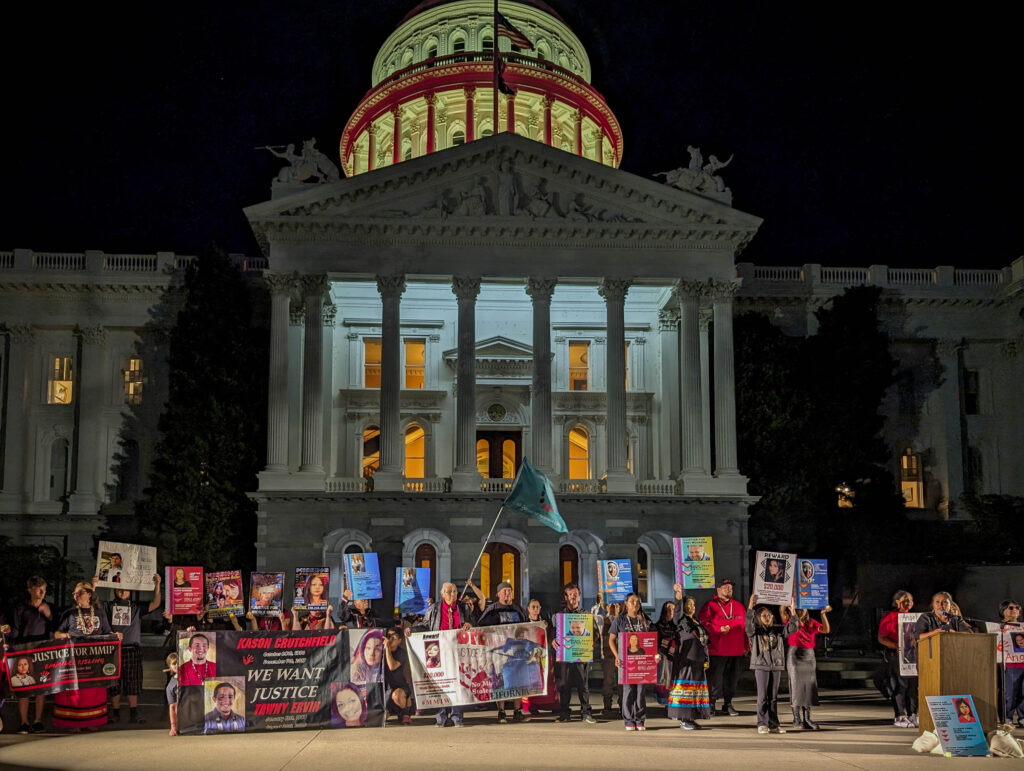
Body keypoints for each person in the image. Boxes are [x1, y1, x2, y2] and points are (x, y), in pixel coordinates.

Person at [53, 581, 119, 732]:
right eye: (75, 594)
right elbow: (56, 633)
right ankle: (73, 723)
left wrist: (115, 636)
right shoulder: (69, 613)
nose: (76, 596)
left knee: (92, 690)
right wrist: (66, 635)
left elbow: (107, 632)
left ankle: (92, 721)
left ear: (89, 595)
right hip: (74, 658)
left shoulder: (100, 613)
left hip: (95, 658)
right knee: (74, 690)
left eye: (80, 593)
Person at [101, 571, 162, 724]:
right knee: (113, 682)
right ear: (115, 589)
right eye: (120, 588)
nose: (123, 591)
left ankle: (134, 711)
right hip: (113, 649)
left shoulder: (135, 607)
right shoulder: (108, 606)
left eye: (126, 589)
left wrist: (157, 585)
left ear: (130, 591)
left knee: (133, 681)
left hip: (131, 649)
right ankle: (115, 712)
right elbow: (95, 607)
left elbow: (156, 603)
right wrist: (95, 584)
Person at [475, 581, 529, 723]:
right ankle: (502, 711)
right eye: (504, 591)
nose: (507, 593)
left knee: (519, 681)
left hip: (517, 651)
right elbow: (481, 625)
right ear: (498, 594)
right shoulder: (492, 609)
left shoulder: (518, 609)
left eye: (509, 591)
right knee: (501, 680)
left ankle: (517, 711)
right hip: (499, 651)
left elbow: (528, 625)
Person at [698, 577, 747, 716]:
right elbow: (703, 624)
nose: (729, 589)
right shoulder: (709, 605)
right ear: (718, 590)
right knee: (715, 679)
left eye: (731, 587)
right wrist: (718, 629)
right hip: (717, 649)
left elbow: (745, 627)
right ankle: (711, 703)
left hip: (736, 649)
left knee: (732, 679)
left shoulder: (738, 606)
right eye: (726, 587)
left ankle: (728, 703)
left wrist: (746, 644)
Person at [10, 575, 53, 734]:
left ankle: (38, 721)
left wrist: (49, 615)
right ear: (30, 590)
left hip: (42, 651)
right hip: (24, 650)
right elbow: (14, 630)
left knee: (41, 687)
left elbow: (57, 627)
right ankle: (24, 722)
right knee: (24, 686)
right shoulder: (20, 608)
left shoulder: (49, 607)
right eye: (38, 589)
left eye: (44, 589)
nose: (42, 592)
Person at [609, 592, 656, 731]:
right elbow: (611, 639)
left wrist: (654, 655)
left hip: (642, 661)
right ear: (626, 603)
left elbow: (652, 639)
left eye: (638, 601)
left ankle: (640, 719)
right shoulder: (620, 620)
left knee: (641, 691)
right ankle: (629, 720)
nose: (635, 604)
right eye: (632, 601)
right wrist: (617, 656)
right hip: (626, 662)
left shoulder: (644, 619)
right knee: (628, 690)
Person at [668, 584, 711, 730]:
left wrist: (706, 659)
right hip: (686, 661)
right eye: (689, 604)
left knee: (695, 691)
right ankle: (684, 719)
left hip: (698, 661)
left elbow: (704, 643)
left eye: (694, 605)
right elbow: (678, 611)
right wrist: (679, 595)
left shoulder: (697, 622)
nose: (692, 607)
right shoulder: (681, 621)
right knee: (686, 690)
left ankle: (692, 717)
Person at [553, 583, 596, 724]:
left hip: (581, 655)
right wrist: (553, 641)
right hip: (565, 656)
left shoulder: (586, 615)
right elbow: (553, 635)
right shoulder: (559, 616)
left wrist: (592, 641)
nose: (573, 597)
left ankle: (586, 713)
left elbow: (594, 634)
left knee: (583, 685)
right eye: (570, 594)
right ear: (566, 597)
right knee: (564, 685)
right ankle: (565, 713)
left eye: (575, 594)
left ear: (579, 596)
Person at [784, 603, 831, 729]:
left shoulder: (812, 622)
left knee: (808, 686)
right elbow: (782, 611)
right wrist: (789, 606)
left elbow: (826, 630)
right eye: (798, 608)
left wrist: (823, 614)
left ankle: (807, 718)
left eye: (803, 607)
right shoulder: (790, 620)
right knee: (795, 685)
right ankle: (796, 718)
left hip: (809, 655)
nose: (800, 610)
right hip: (795, 654)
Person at [746, 593, 786, 734]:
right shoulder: (755, 632)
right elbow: (748, 625)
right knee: (763, 696)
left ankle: (774, 724)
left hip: (776, 665)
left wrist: (792, 611)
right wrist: (751, 606)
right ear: (758, 618)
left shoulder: (777, 631)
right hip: (761, 666)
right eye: (764, 616)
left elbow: (792, 629)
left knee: (773, 697)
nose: (768, 617)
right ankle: (762, 723)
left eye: (769, 615)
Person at [877, 589, 918, 728]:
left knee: (913, 685)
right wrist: (895, 645)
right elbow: (881, 638)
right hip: (896, 655)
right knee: (901, 685)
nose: (909, 603)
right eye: (905, 600)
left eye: (911, 600)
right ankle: (900, 715)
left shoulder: (914, 618)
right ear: (897, 602)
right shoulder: (890, 617)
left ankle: (913, 714)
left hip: (912, 655)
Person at [998, 599, 1023, 727]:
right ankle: (1007, 717)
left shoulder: (1022, 626)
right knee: (1011, 692)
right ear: (1003, 611)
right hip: (1011, 664)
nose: (1015, 610)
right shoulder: (999, 627)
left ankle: (1022, 716)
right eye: (1011, 608)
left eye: (1017, 607)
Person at [383, 627, 413, 724]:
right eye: (389, 636)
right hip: (384, 690)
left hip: (399, 687)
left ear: (399, 641)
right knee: (381, 718)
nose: (390, 639)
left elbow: (392, 666)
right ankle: (389, 710)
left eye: (393, 637)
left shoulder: (402, 653)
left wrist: (387, 648)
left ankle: (404, 712)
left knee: (397, 695)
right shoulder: (379, 651)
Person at [599, 601, 622, 717]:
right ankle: (607, 706)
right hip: (608, 655)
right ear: (606, 607)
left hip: (622, 655)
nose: (612, 608)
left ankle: (623, 706)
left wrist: (619, 615)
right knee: (608, 681)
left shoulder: (622, 619)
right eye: (610, 605)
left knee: (621, 682)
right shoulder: (602, 619)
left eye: (615, 605)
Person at [655, 600, 677, 705]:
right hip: (662, 659)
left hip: (674, 658)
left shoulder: (677, 626)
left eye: (673, 609)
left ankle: (672, 703)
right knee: (662, 680)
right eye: (668, 609)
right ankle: (664, 701)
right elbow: (655, 643)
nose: (671, 612)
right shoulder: (658, 626)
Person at [165, 653, 179, 736]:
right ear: (170, 667)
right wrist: (173, 727)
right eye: (174, 663)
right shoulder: (170, 686)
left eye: (179, 662)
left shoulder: (192, 676)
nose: (177, 665)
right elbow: (172, 707)